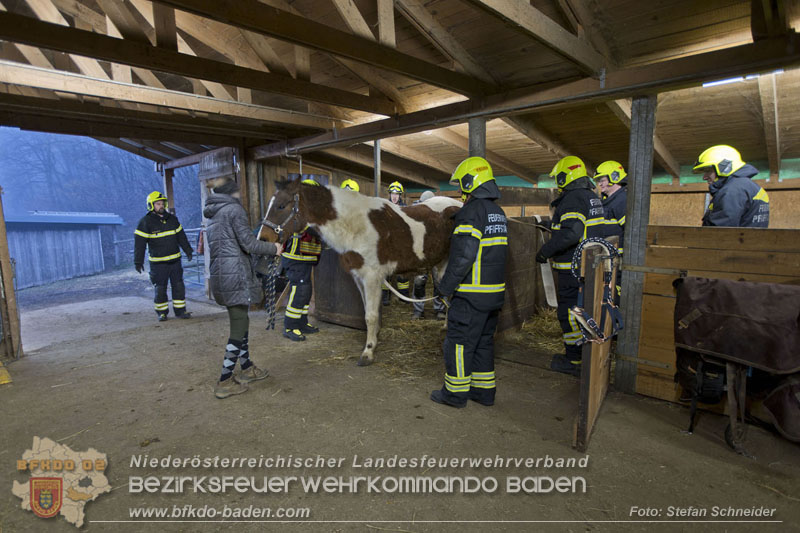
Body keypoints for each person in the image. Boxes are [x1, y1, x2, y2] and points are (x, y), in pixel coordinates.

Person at [433, 157, 508, 408]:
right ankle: (483, 392)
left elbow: (464, 256)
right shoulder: (498, 213)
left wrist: (445, 288)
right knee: (483, 343)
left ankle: (454, 394)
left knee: (458, 344)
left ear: (470, 182)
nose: (460, 192)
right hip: (493, 295)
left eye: (461, 185)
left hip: (471, 295)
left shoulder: (470, 213)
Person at [203, 178, 283, 399]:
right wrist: (274, 248)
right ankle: (224, 380)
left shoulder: (214, 214)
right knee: (239, 326)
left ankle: (246, 367)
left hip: (222, 275)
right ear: (232, 192)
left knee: (241, 321)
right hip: (235, 275)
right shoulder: (234, 210)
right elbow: (248, 244)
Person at [535, 156, 607, 377]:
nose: (557, 182)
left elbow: (572, 233)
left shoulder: (572, 198)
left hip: (573, 268)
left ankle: (574, 359)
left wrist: (545, 251)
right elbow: (577, 225)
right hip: (588, 267)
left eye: (558, 177)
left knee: (569, 313)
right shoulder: (590, 196)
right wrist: (551, 225)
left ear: (566, 177)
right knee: (581, 310)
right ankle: (581, 356)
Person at [134, 191, 194, 321]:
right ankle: (162, 312)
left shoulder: (172, 219)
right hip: (158, 264)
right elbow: (139, 245)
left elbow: (181, 237)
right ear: (151, 205)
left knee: (179, 287)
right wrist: (138, 262)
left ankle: (180, 311)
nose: (161, 206)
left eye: (162, 203)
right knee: (160, 289)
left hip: (175, 261)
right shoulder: (145, 222)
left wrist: (188, 250)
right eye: (158, 204)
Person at [281, 178, 323, 342]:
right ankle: (290, 326)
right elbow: (310, 229)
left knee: (306, 291)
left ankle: (302, 323)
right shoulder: (297, 210)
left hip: (305, 257)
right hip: (295, 257)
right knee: (299, 291)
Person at [693, 145, 770, 227]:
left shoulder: (732, 191)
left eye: (708, 171)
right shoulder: (748, 186)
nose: (704, 177)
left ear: (725, 167)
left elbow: (719, 231)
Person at [411, 190, 446, 320]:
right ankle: (418, 310)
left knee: (439, 281)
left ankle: (440, 309)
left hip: (436, 254)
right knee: (419, 281)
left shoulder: (439, 216)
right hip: (421, 254)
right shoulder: (416, 215)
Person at [382, 181, 409, 305]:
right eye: (393, 193)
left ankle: (404, 296)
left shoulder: (405, 209)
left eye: (397, 194)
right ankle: (385, 297)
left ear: (400, 195)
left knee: (402, 271)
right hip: (387, 244)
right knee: (386, 271)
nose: (394, 196)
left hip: (401, 244)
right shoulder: (384, 207)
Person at [594, 161, 627, 254]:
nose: (599, 184)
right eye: (598, 181)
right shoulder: (609, 200)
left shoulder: (622, 201)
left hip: (617, 257)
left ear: (614, 177)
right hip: (609, 255)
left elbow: (631, 232)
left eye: (602, 180)